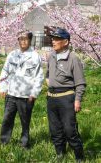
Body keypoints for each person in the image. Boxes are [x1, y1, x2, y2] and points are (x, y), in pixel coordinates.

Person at [46, 28, 86, 162]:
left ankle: (79, 156)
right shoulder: (51, 56)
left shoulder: (73, 58)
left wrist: (77, 100)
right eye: (53, 38)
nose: (53, 41)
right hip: (51, 98)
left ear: (65, 42)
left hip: (66, 98)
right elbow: (48, 73)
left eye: (57, 39)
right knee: (55, 129)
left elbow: (80, 83)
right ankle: (60, 154)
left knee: (70, 129)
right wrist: (49, 82)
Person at [0, 31, 44, 148]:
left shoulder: (35, 56)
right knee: (7, 119)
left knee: (25, 121)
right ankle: (4, 142)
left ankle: (24, 144)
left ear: (30, 40)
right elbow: (5, 71)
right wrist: (3, 87)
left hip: (26, 96)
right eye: (21, 39)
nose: (23, 41)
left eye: (26, 39)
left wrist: (34, 93)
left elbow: (39, 77)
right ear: (18, 40)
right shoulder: (12, 54)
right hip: (11, 93)